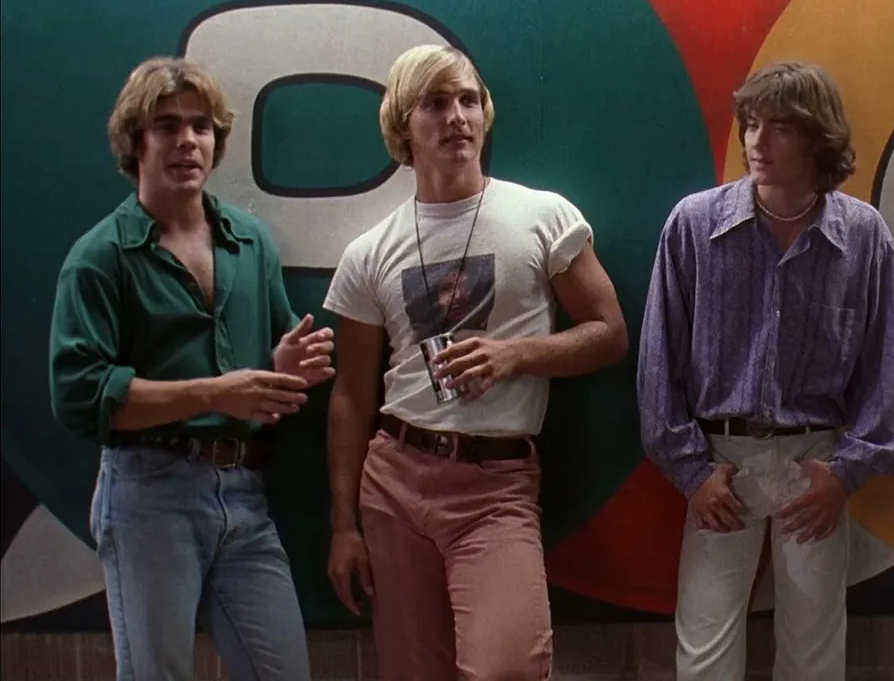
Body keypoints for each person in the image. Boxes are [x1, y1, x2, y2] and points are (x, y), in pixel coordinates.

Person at [323, 44, 628, 680]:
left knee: (508, 668)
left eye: (468, 100)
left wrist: (514, 354)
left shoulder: (541, 216)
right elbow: (351, 395)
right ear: (403, 125)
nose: (457, 116)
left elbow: (609, 334)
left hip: (497, 485)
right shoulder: (368, 252)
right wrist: (342, 523)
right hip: (395, 482)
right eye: (435, 103)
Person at [48, 57, 334, 680]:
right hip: (148, 493)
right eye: (167, 126)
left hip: (244, 492)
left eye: (201, 127)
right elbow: (79, 396)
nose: (187, 141)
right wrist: (215, 394)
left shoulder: (249, 241)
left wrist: (288, 367)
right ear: (136, 142)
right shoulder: (100, 258)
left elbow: (272, 359)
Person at [637, 62, 894, 680]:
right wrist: (691, 471)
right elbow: (659, 360)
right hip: (719, 461)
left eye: (780, 127)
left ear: (818, 138)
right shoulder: (696, 225)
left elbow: (883, 369)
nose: (757, 141)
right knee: (704, 650)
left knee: (814, 654)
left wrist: (845, 473)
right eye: (751, 123)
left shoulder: (862, 236)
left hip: (813, 461)